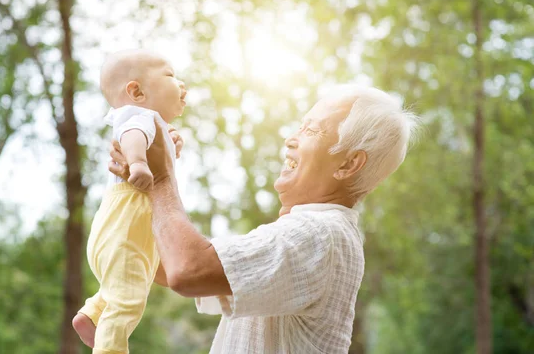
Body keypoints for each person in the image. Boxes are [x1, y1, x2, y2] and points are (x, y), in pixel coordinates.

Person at [86, 85, 418, 353]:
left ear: (348, 165)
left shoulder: (319, 234)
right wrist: (138, 187)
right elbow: (167, 264)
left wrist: (160, 179)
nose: (291, 139)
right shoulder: (308, 234)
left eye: (312, 130)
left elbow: (189, 270)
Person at [72, 49, 187, 354]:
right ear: (136, 91)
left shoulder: (151, 121)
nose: (182, 84)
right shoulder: (140, 116)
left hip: (122, 230)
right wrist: (137, 164)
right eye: (171, 75)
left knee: (128, 284)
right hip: (126, 227)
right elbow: (132, 136)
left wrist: (173, 145)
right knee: (128, 303)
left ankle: (92, 314)